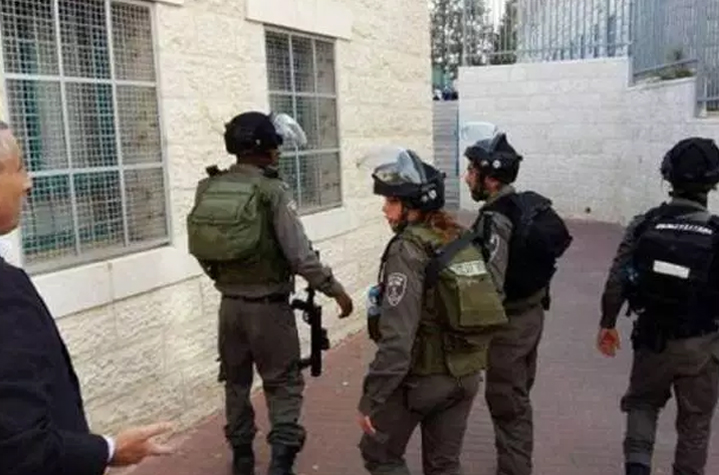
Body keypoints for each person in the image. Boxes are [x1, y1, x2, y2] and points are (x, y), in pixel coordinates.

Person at [0, 120, 175, 474]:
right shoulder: (6, 294)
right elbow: (22, 449)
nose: (28, 183)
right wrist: (108, 449)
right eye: (19, 168)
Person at [186, 111, 354, 475]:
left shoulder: (209, 187)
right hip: (269, 309)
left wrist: (223, 279)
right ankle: (281, 462)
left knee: (235, 384)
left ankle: (242, 457)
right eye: (276, 145)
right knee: (283, 383)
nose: (279, 151)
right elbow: (300, 255)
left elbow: (201, 246)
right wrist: (335, 290)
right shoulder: (271, 190)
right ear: (264, 148)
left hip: (229, 307)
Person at [596, 137, 719, 475]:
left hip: (651, 341)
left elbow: (617, 278)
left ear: (668, 175)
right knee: (694, 424)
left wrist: (608, 322)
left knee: (642, 405)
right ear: (716, 180)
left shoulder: (644, 224)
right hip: (701, 348)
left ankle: (637, 469)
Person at [357, 147, 508, 475]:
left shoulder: (407, 249)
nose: (384, 209)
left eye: (391, 201)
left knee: (379, 453)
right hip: (466, 377)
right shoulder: (461, 237)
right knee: (444, 466)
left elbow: (397, 339)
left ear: (412, 207)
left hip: (424, 380)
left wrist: (373, 397)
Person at [462, 123, 571, 475]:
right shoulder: (523, 206)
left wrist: (471, 332)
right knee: (518, 396)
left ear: (491, 179)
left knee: (507, 404)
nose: (467, 178)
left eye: (471, 171)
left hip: (507, 327)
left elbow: (492, 286)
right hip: (532, 316)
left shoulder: (496, 219)